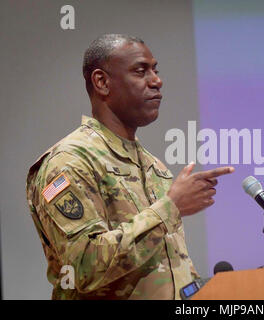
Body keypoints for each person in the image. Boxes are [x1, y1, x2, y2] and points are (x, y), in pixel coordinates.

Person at [25, 34, 234, 299]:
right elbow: (81, 268)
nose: (157, 81)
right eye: (140, 71)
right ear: (102, 82)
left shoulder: (154, 167)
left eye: (155, 70)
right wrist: (170, 208)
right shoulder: (69, 162)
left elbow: (171, 265)